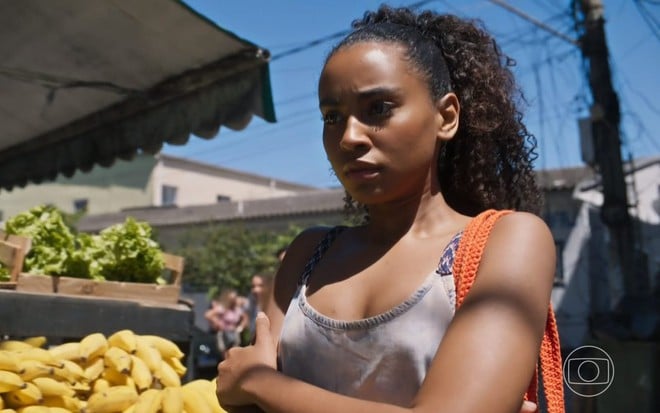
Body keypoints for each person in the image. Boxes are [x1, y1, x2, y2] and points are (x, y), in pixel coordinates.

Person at [216, 5, 562, 413]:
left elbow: (248, 383)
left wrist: (262, 384)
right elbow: (236, 395)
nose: (349, 137)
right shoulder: (307, 255)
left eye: (378, 108)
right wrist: (251, 387)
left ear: (446, 116)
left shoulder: (504, 242)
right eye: (332, 116)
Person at [205, 289, 248, 357]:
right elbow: (208, 315)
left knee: (235, 353)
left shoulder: (237, 310)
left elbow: (245, 318)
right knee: (225, 355)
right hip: (224, 334)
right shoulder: (223, 308)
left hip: (234, 333)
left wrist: (241, 327)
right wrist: (217, 323)